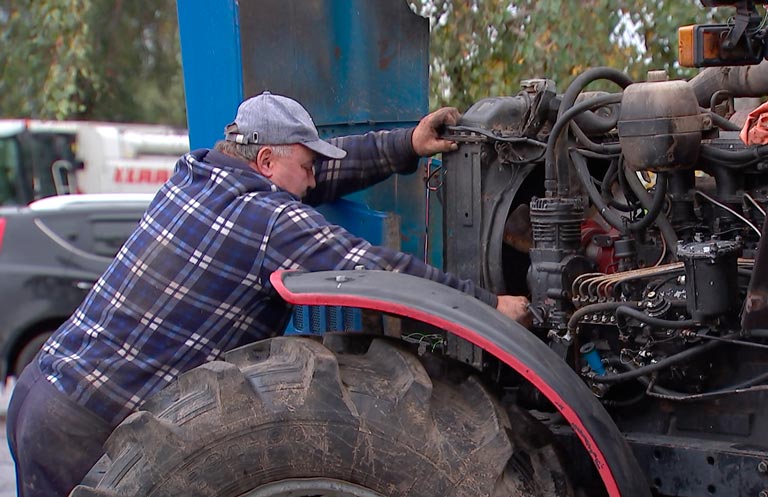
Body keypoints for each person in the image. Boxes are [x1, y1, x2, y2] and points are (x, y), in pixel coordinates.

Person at [6, 91, 530, 497]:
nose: (312, 183)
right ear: (264, 162)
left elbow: (318, 173)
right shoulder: (268, 221)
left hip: (41, 393)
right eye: (305, 168)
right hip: (86, 431)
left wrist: (405, 146)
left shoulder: (196, 174)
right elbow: (373, 268)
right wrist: (488, 307)